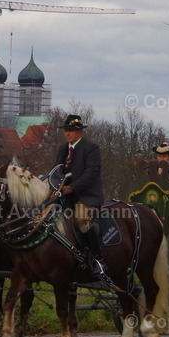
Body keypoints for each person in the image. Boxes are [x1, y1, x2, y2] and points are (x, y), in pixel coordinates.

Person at [55, 114, 105, 275]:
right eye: (66, 130)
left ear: (79, 132)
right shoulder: (63, 149)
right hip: (64, 195)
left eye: (71, 130)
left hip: (87, 196)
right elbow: (56, 171)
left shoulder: (91, 148)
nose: (67, 133)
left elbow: (91, 173)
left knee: (82, 220)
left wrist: (72, 188)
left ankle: (98, 259)